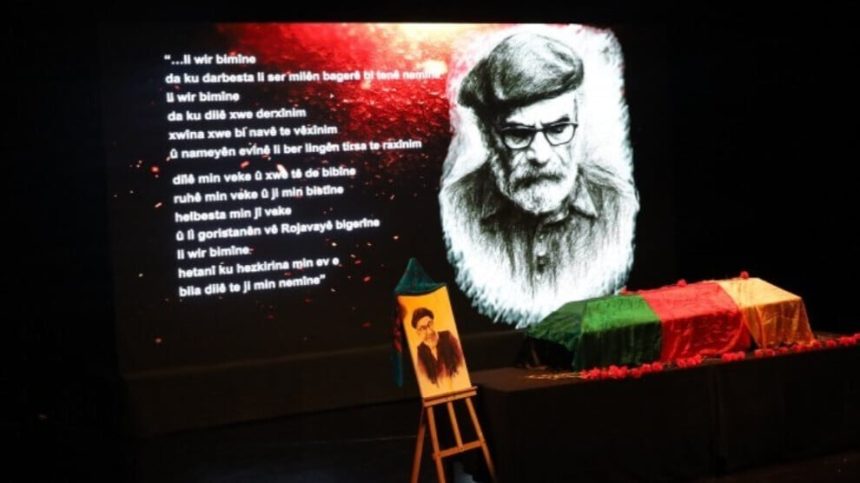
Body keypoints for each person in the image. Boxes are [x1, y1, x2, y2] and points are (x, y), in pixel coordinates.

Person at [439, 29, 639, 328]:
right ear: (488, 136)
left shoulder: (619, 203)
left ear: (578, 122)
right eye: (519, 134)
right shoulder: (455, 207)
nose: (540, 155)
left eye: (558, 129)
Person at [411, 307, 465, 386]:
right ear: (418, 332)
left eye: (430, 324)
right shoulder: (421, 351)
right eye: (423, 328)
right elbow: (424, 379)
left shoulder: (448, 337)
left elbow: (462, 365)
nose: (429, 331)